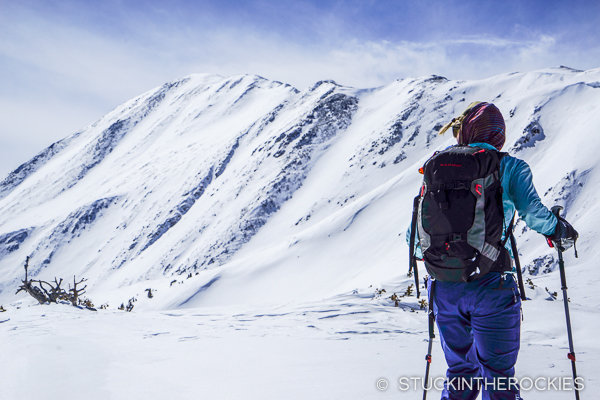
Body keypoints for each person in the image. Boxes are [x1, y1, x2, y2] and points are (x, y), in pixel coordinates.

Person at [407, 101, 578, 400]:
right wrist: (559, 230)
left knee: (460, 376)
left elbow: (413, 235)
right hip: (491, 286)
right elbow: (534, 213)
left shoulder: (436, 165)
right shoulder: (508, 166)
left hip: (444, 290)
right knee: (498, 381)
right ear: (499, 135)